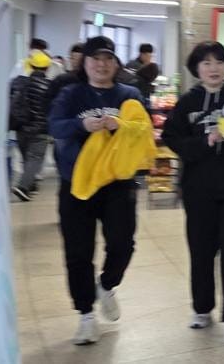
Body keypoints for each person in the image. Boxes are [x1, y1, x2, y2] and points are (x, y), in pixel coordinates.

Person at [161, 41, 224, 342]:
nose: (213, 68)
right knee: (202, 251)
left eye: (219, 61)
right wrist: (206, 141)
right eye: (206, 63)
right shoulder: (187, 102)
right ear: (197, 68)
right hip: (199, 189)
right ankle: (202, 308)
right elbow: (172, 138)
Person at [48, 36, 148, 345]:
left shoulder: (129, 95)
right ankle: (86, 316)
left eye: (107, 59)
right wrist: (83, 126)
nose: (101, 64)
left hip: (117, 184)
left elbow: (143, 131)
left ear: (115, 64)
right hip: (76, 184)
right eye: (95, 59)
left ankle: (106, 285)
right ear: (85, 63)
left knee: (122, 244)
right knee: (78, 252)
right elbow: (54, 126)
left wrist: (122, 126)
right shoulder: (71, 94)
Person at [8, 50, 53, 201]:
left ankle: (31, 185)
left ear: (31, 66)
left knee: (27, 159)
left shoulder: (19, 82)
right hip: (41, 130)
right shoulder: (50, 86)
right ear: (47, 68)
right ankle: (23, 187)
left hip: (21, 128)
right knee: (35, 159)